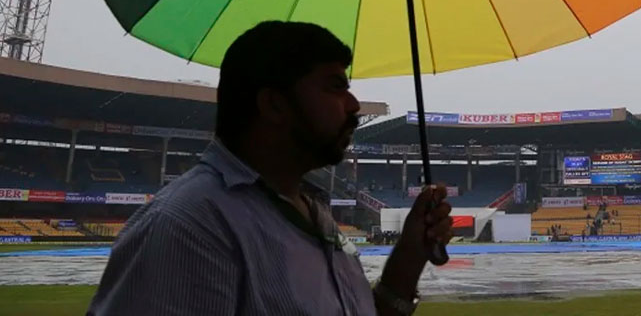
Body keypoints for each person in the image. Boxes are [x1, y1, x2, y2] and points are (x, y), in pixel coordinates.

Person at [87, 21, 454, 315]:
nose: (354, 104)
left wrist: (409, 257)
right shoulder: (190, 226)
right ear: (275, 105)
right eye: (335, 87)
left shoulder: (312, 210)